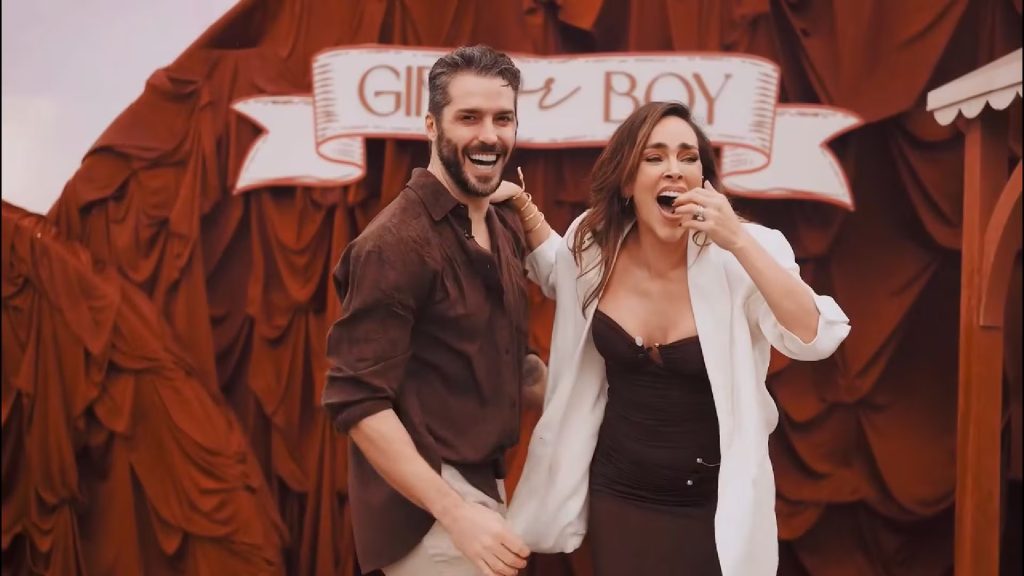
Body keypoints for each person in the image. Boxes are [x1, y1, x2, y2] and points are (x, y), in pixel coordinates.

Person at [498, 101, 851, 576]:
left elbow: (816, 336)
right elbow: (558, 271)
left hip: (709, 507)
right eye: (654, 157)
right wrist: (523, 208)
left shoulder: (746, 251)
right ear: (627, 182)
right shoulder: (594, 242)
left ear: (704, 180)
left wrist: (737, 241)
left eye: (688, 157)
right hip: (618, 494)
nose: (674, 169)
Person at [322, 45, 534, 576]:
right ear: (432, 125)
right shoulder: (394, 243)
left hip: (483, 490)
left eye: (502, 118)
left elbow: (516, 365)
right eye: (469, 118)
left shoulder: (504, 224)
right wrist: (455, 513)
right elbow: (359, 402)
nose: (489, 135)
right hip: (430, 511)